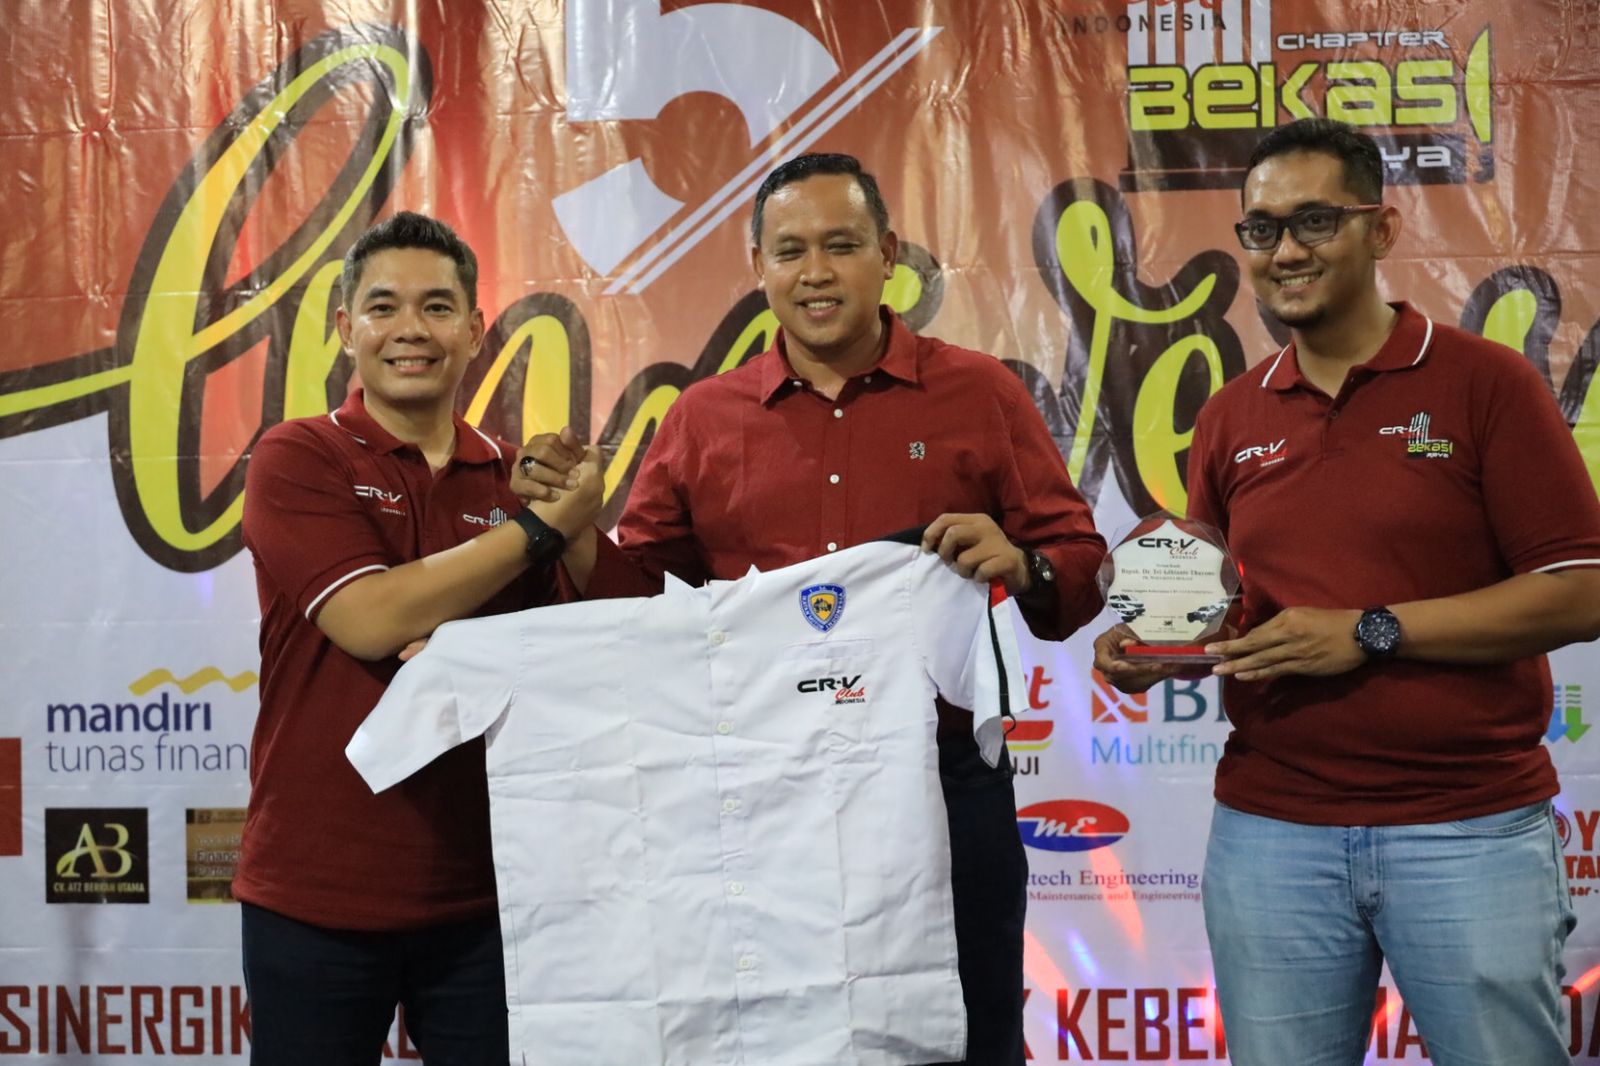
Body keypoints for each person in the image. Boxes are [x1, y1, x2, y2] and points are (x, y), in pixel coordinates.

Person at [519, 152, 1106, 1065]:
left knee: (971, 1026)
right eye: (791, 251)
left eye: (842, 245)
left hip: (942, 782)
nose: (816, 272)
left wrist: (1023, 565)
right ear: (758, 266)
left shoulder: (980, 392)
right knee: (770, 1037)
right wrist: (574, 531)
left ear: (888, 255)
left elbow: (1078, 570)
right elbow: (642, 607)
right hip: (759, 788)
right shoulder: (704, 418)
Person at [1093, 118, 1600, 1065]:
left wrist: (1370, 631)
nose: (1285, 250)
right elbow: (1223, 610)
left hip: (1469, 828)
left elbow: (1580, 593)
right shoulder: (1230, 415)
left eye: (1315, 221)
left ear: (1382, 228)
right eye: (1261, 229)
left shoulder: (1486, 383)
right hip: (1272, 833)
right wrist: (1154, 649)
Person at [236, 211, 604, 1065]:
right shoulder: (297, 456)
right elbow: (371, 619)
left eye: (437, 307)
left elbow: (599, 646)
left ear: (474, 330)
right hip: (315, 893)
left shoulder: (522, 478)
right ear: (345, 328)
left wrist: (573, 525)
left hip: (491, 895)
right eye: (383, 307)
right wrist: (540, 532)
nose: (410, 329)